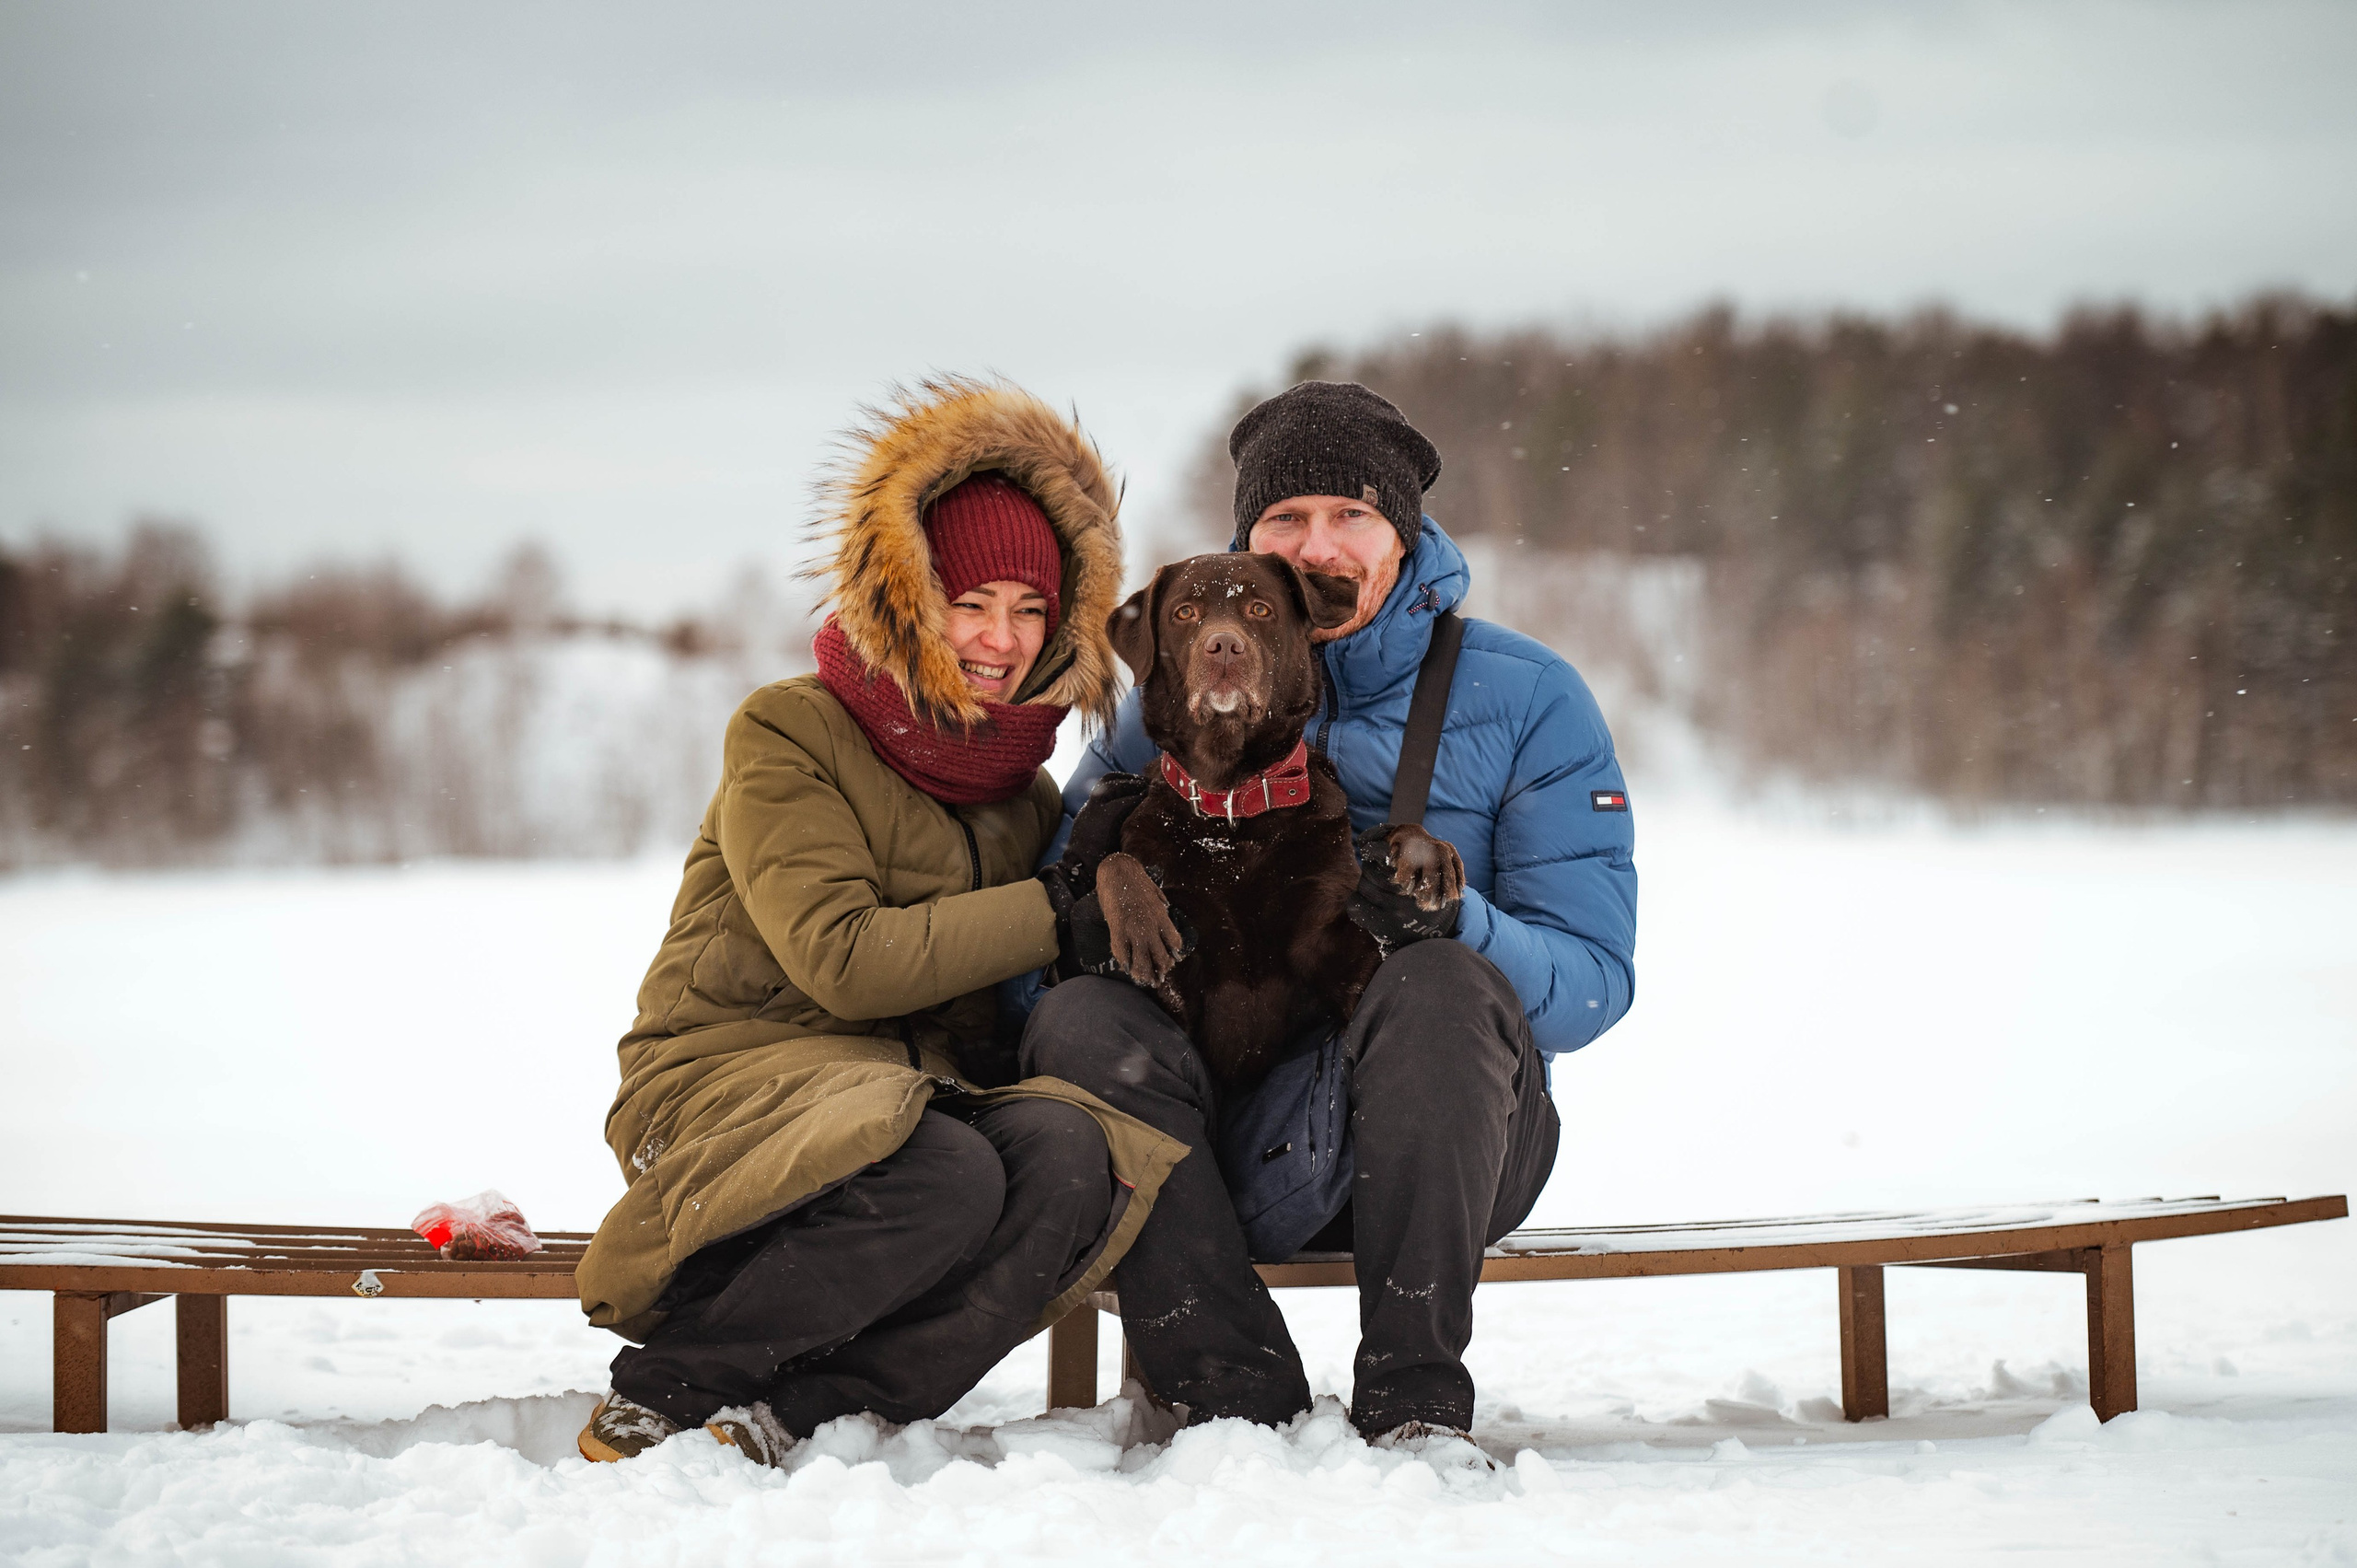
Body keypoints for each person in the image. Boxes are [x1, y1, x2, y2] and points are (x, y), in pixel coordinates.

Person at [574, 377, 1185, 1465]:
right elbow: (842, 962)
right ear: (907, 596)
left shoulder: (1024, 793)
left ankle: (809, 1407)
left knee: (1064, 1153)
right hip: (721, 1081)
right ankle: (672, 1381)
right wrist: (1053, 909)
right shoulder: (788, 731)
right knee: (943, 1170)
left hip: (913, 1103)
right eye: (971, 600)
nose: (1000, 638)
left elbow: (999, 1011)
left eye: (1031, 609)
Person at [1022, 380, 1637, 1447]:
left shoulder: (1529, 696)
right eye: (1284, 519)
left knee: (1439, 983)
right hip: (1206, 1161)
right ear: (1245, 537)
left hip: (1439, 1150)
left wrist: (1456, 925)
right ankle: (1230, 1398)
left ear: (1400, 532)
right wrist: (1077, 930)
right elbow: (1044, 945)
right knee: (1077, 1022)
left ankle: (1415, 1405)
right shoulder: (1162, 704)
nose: (1318, 545)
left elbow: (1593, 979)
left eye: (1349, 514)